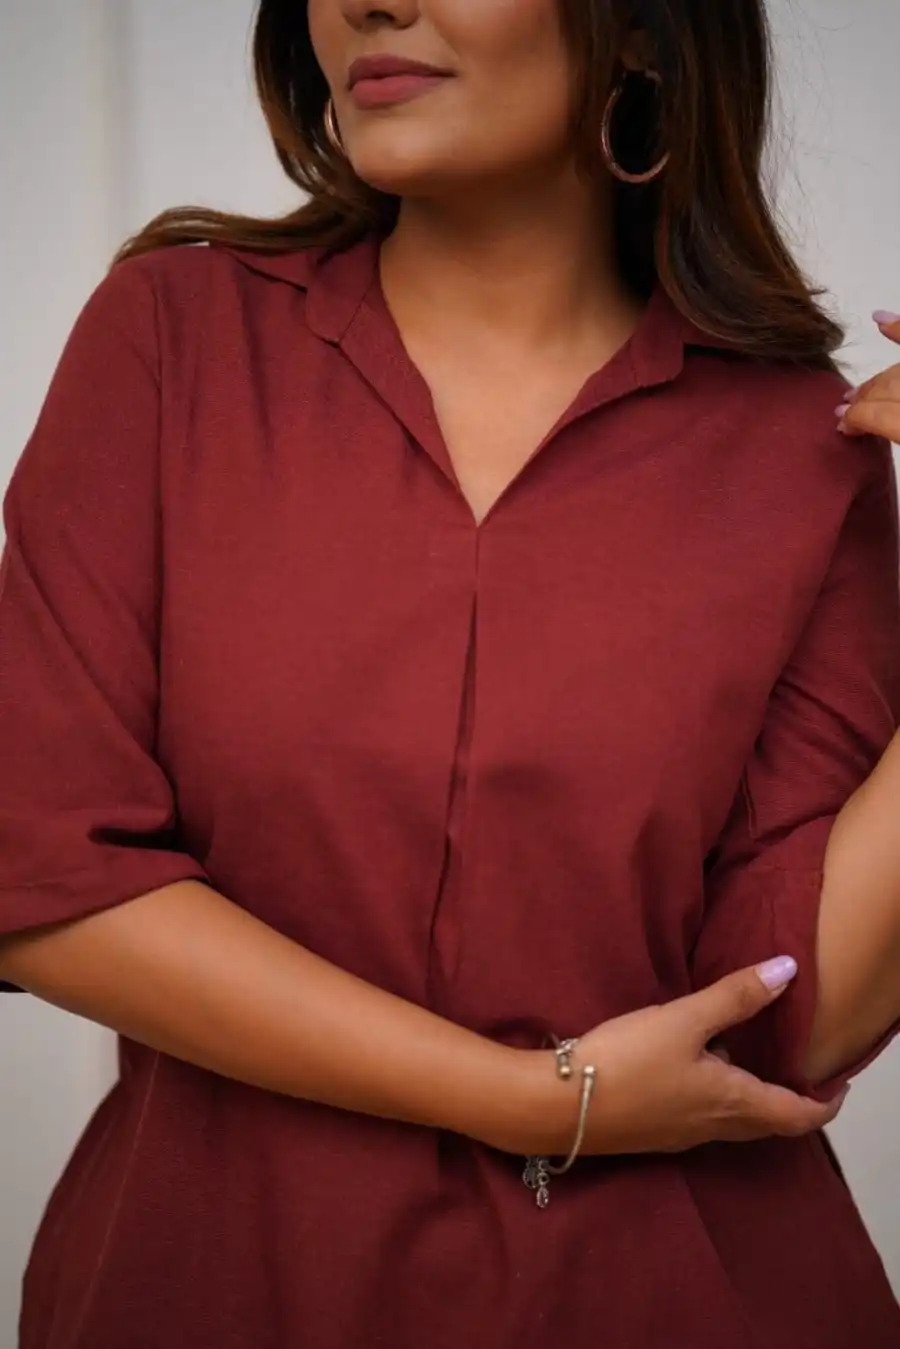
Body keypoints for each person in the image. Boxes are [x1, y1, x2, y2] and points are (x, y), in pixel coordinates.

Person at [1, 0, 900, 1344]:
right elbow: (44, 870)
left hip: (682, 1299)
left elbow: (786, 1009)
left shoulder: (805, 445)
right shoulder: (173, 339)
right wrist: (530, 1100)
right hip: (220, 1285)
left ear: (642, 30)